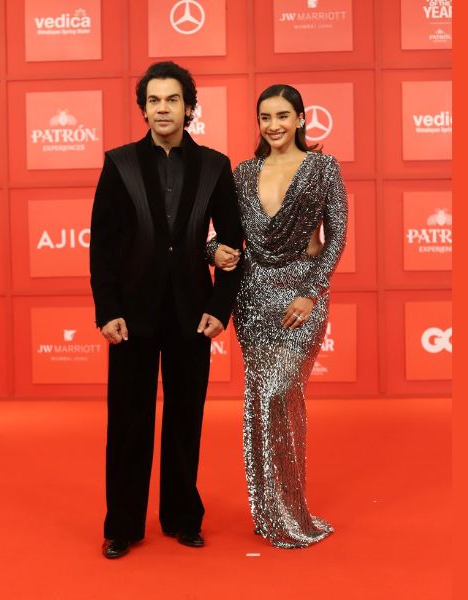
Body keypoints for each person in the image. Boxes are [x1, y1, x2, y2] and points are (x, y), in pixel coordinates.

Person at [89, 61, 244, 559]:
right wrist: (107, 310)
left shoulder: (216, 166)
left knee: (184, 419)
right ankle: (123, 525)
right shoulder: (119, 164)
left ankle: (182, 517)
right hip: (131, 317)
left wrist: (220, 306)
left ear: (188, 107)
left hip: (192, 314)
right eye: (153, 100)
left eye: (172, 99)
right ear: (143, 109)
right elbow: (103, 247)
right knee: (128, 421)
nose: (162, 109)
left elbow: (232, 243)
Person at [211, 84, 348, 548]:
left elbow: (337, 237)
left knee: (280, 391)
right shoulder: (243, 173)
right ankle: (270, 509)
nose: (274, 125)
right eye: (265, 117)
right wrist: (212, 253)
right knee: (261, 399)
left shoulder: (323, 168)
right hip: (252, 296)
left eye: (283, 116)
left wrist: (311, 292)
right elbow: (223, 236)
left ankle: (290, 510)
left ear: (301, 119)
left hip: (301, 297)